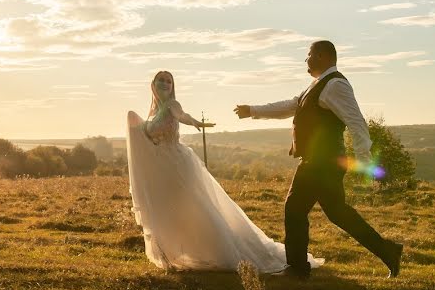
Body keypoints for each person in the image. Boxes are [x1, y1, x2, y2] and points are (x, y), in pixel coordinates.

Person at [234, 40, 403, 279]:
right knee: (338, 213)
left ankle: (297, 268)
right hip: (322, 162)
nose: (306, 60)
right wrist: (253, 110)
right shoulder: (316, 86)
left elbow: (357, 123)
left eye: (309, 55)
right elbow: (290, 106)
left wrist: (364, 160)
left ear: (322, 56)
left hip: (321, 162)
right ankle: (388, 250)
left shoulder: (335, 85)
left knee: (294, 209)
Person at [126, 70, 323, 272]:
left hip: (178, 165)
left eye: (169, 81)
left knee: (193, 209)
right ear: (153, 84)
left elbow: (182, 116)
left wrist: (195, 122)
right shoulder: (153, 113)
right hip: (163, 169)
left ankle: (220, 249)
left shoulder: (172, 105)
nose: (165, 84)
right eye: (161, 80)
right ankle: (171, 253)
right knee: (168, 211)